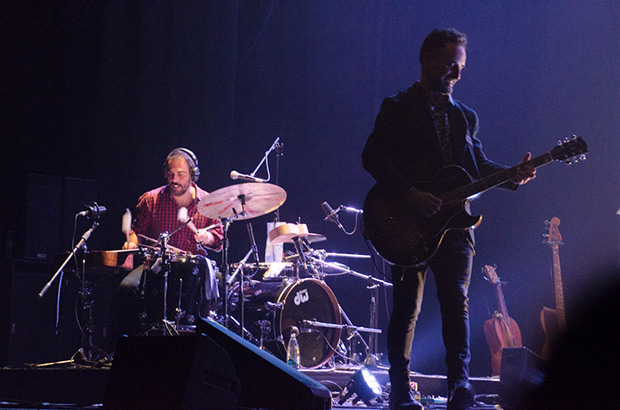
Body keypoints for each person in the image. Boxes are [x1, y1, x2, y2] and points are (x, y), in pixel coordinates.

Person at [362, 28, 535, 410]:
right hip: (407, 224)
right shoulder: (398, 107)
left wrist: (512, 175)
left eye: (461, 67)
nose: (457, 74)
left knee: (457, 304)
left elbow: (477, 168)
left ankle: (460, 388)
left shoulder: (465, 117)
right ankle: (401, 392)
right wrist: (410, 195)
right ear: (427, 60)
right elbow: (373, 157)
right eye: (450, 65)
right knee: (407, 307)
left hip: (456, 226)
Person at [119, 147, 224, 334]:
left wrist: (206, 237)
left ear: (193, 175)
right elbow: (137, 232)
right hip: (156, 266)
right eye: (171, 174)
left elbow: (218, 241)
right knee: (127, 287)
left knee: (218, 286)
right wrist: (132, 242)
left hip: (195, 269)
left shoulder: (208, 202)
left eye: (181, 175)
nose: (174, 180)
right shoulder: (150, 200)